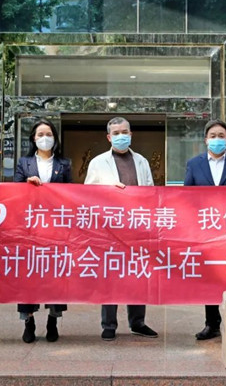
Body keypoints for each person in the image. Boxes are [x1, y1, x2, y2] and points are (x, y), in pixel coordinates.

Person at [84, 117, 158, 341]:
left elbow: (151, 191)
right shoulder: (98, 162)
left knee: (138, 274)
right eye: (116, 133)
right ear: (109, 137)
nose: (121, 136)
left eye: (124, 132)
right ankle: (109, 324)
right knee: (111, 275)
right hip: (110, 229)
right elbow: (87, 194)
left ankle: (138, 322)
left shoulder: (142, 161)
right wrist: (109, 190)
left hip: (137, 226)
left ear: (131, 134)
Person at [185, 119, 226, 341]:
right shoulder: (194, 164)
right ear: (206, 140)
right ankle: (211, 323)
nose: (217, 140)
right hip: (206, 229)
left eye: (221, 136)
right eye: (213, 136)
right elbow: (187, 196)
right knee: (210, 276)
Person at [14, 118, 71, 344]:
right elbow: (14, 192)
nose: (44, 138)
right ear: (33, 138)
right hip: (30, 228)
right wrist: (27, 184)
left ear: (55, 138)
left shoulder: (64, 163)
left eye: (49, 134)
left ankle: (52, 321)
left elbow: (71, 194)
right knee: (28, 274)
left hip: (56, 227)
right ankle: (28, 321)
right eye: (40, 134)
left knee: (55, 274)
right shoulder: (24, 162)